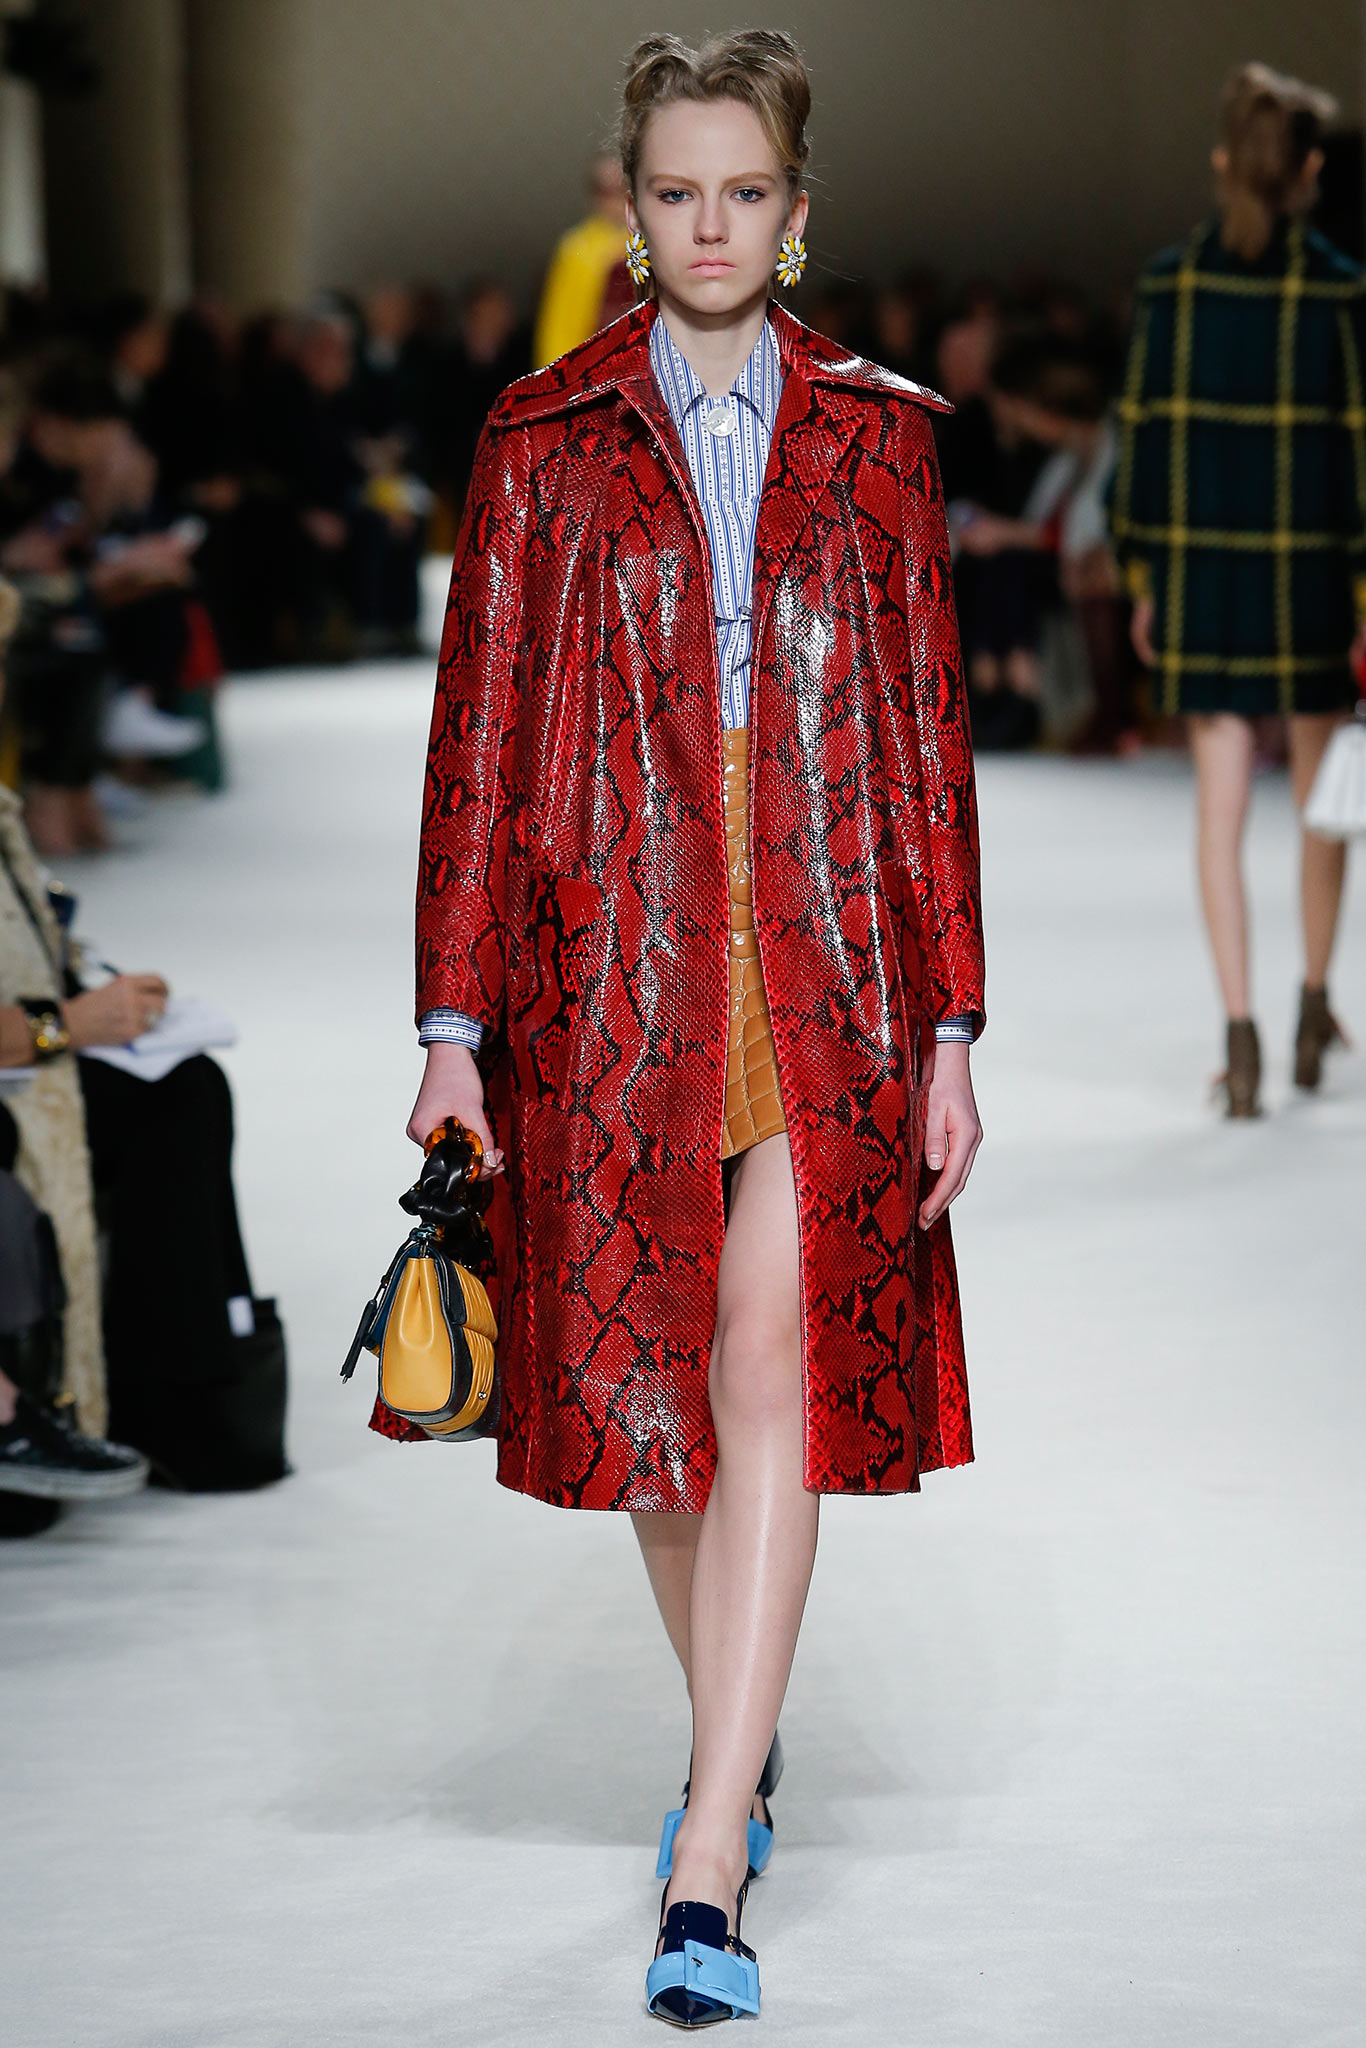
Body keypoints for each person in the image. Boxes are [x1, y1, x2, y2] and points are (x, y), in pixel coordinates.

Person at [392, 28, 984, 2026]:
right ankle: (738, 1722)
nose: (709, 224)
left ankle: (710, 1848)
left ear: (794, 212)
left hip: (824, 945)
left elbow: (926, 742)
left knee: (762, 1365)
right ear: (627, 204)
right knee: (650, 1406)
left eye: (743, 192)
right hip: (610, 947)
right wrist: (452, 1018)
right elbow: (478, 736)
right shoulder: (539, 435)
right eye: (675, 191)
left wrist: (954, 1024)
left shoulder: (880, 437)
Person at [1111, 63, 1366, 1114]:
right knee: (1319, 807)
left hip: (1205, 577)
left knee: (1218, 813)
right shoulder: (1339, 291)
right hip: (1309, 578)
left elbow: (1140, 437)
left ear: (1223, 160)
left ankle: (1241, 1032)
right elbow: (1357, 449)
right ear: (1309, 171)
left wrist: (1143, 574)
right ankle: (1311, 1004)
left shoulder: (1169, 286)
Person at [531, 150, 634, 368]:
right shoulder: (576, 248)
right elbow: (559, 327)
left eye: (621, 189)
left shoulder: (653, 240)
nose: (614, 201)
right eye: (604, 191)